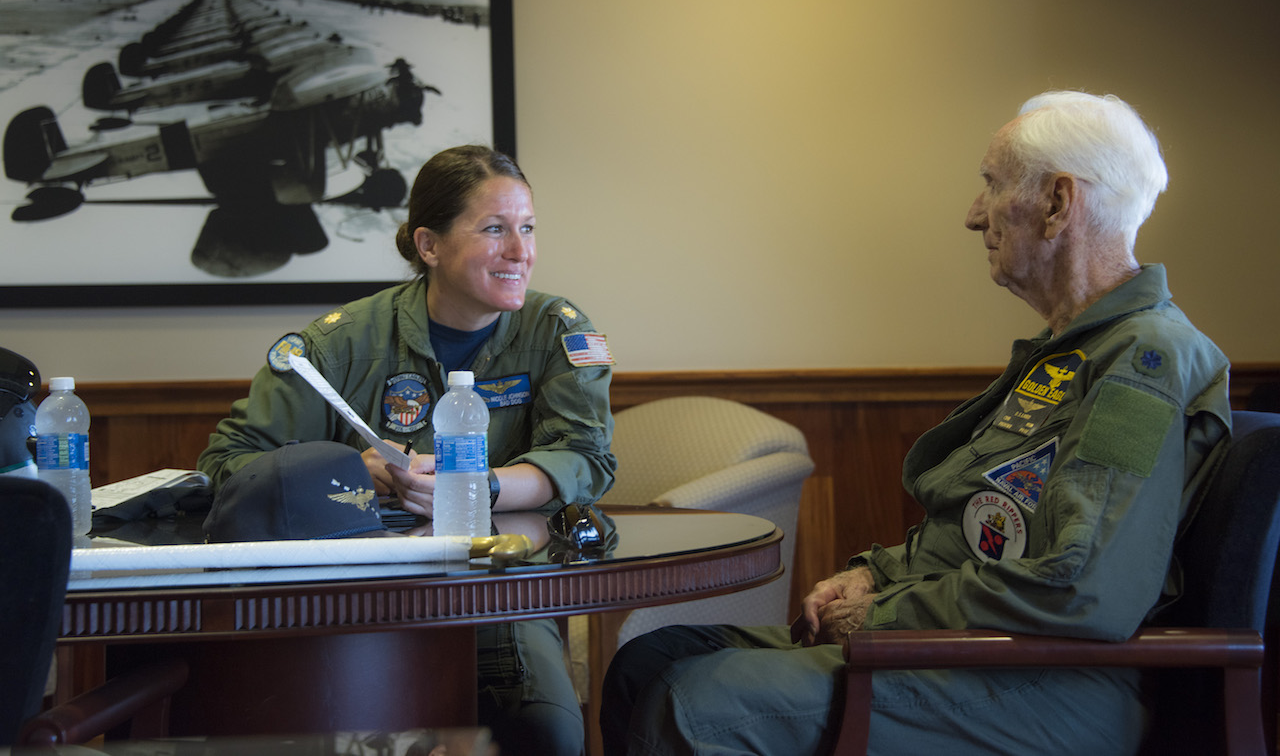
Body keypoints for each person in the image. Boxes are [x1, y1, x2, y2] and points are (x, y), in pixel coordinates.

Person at [600, 92, 1232, 756]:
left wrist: (889, 613)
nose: (972, 215)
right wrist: (879, 574)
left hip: (1048, 679)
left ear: (1057, 203)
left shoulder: (1143, 360)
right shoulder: (1069, 350)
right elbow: (986, 523)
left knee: (693, 704)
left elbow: (1081, 588)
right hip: (972, 647)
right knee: (648, 663)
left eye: (992, 185)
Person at [198, 145, 617, 756]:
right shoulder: (339, 344)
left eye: (527, 229)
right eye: (495, 229)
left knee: (547, 734)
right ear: (429, 245)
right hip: (351, 599)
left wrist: (483, 486)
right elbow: (228, 463)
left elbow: (587, 457)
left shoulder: (557, 331)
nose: (521, 252)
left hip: (499, 591)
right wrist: (348, 474)